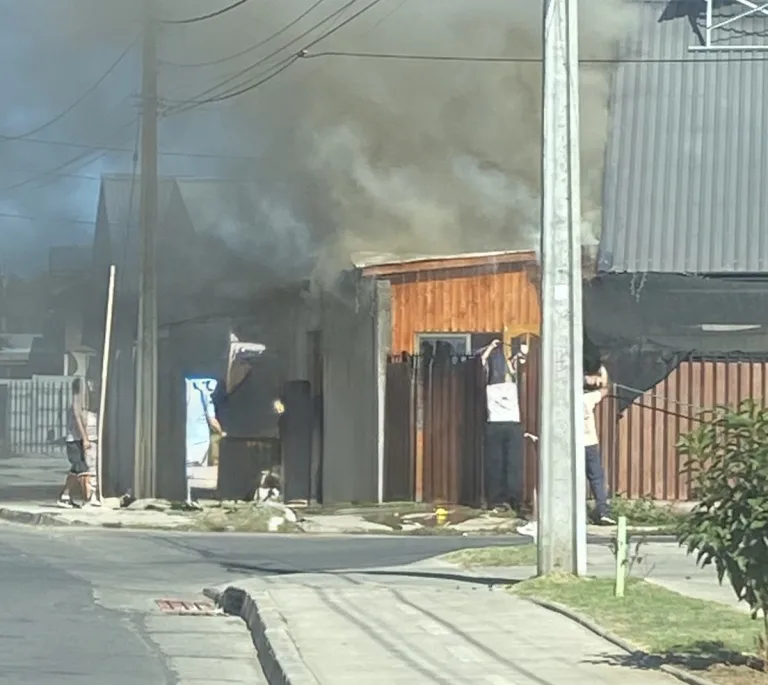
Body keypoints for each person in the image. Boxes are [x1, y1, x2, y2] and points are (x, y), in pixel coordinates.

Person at [478, 338, 527, 512]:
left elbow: (483, 360)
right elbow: (517, 363)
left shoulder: (490, 385)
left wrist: (491, 347)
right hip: (511, 424)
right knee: (512, 465)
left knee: (496, 464)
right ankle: (512, 499)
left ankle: (496, 500)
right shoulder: (511, 382)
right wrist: (518, 353)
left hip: (495, 425)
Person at [584, 365, 615, 525]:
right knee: (596, 478)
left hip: (572, 445)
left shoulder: (566, 400)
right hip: (589, 443)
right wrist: (603, 372)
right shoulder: (588, 399)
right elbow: (605, 389)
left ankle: (576, 512)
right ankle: (602, 511)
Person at [57, 378, 91, 508]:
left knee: (76, 470)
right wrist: (85, 438)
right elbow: (78, 420)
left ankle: (65, 496)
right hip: (74, 441)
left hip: (76, 440)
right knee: (82, 470)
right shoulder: (76, 401)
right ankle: (87, 499)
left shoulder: (79, 402)